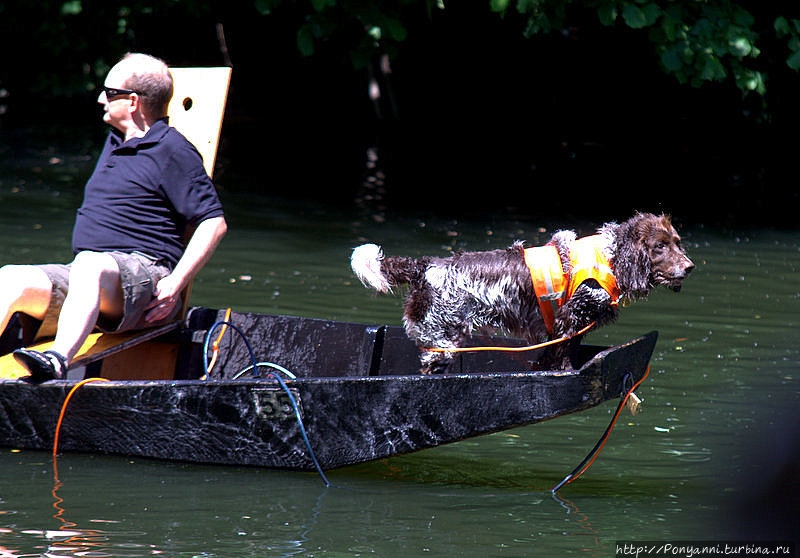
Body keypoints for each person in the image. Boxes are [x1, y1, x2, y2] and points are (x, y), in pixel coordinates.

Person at [0, 53, 227, 382]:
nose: (99, 98)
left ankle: (57, 359)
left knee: (91, 264)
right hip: (90, 277)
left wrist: (175, 285)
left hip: (143, 280)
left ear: (133, 102)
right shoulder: (117, 141)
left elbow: (213, 222)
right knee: (10, 278)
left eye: (109, 92)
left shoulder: (172, 150)